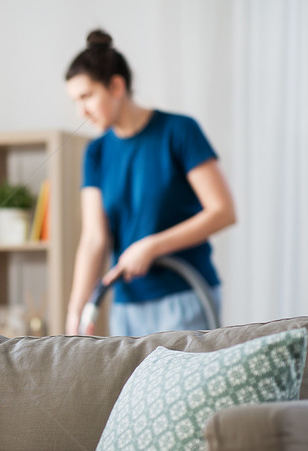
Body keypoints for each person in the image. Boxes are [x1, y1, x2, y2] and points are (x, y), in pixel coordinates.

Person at [63, 29, 236, 337]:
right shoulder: (96, 153)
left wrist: (152, 246)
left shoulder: (179, 132)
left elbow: (222, 211)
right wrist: (77, 312)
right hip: (126, 308)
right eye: (75, 101)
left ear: (116, 85)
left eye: (87, 97)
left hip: (186, 297)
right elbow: (93, 239)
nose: (81, 111)